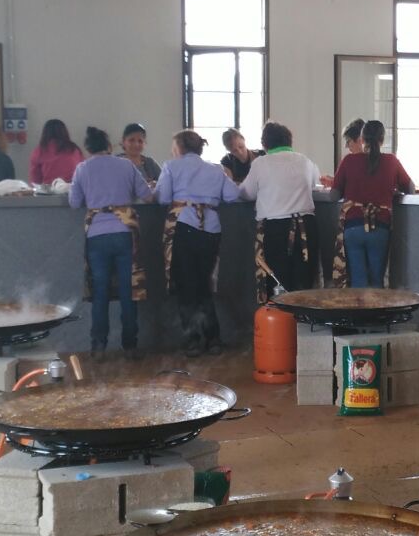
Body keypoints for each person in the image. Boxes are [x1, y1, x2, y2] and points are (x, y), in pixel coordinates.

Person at [155, 130, 242, 356]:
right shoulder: (215, 169)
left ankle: (193, 340)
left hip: (183, 226)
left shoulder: (171, 166)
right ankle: (213, 339)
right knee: (204, 284)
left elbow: (162, 197)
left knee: (186, 285)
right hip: (211, 229)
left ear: (179, 148)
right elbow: (233, 195)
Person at [69, 127, 151, 359]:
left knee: (100, 292)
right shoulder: (126, 165)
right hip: (125, 232)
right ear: (109, 145)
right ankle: (130, 345)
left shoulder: (82, 168)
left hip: (97, 235)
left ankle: (98, 346)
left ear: (88, 148)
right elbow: (147, 195)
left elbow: (74, 202)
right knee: (128, 291)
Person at [239, 121, 320, 301]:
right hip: (306, 227)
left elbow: (246, 193)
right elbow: (316, 184)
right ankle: (304, 317)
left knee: (278, 281)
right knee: (304, 281)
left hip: (276, 229)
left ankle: (282, 318)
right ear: (289, 141)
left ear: (265, 143)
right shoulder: (305, 161)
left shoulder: (261, 163)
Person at [330, 119, 414, 288]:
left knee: (358, 282)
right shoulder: (391, 161)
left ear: (362, 139)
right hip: (380, 227)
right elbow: (411, 189)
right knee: (377, 282)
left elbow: (333, 195)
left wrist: (351, 190)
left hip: (353, 227)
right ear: (382, 140)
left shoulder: (349, 161)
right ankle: (376, 306)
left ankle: (359, 305)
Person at [29, 118, 82, 185]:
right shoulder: (74, 149)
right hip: (72, 188)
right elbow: (83, 172)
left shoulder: (40, 151)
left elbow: (35, 181)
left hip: (49, 189)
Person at [320, 117, 364, 188]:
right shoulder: (377, 162)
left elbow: (353, 187)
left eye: (348, 141)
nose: (346, 146)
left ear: (360, 140)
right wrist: (334, 181)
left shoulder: (349, 160)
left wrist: (333, 182)